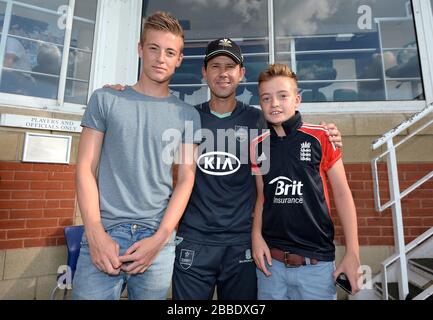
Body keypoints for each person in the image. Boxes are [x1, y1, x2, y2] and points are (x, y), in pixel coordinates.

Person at [106, 38, 343, 300]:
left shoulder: (259, 119)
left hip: (242, 243)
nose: (223, 73)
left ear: (241, 73)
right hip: (194, 241)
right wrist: (123, 93)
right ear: (204, 72)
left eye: (230, 66)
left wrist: (328, 132)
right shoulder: (186, 116)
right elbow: (150, 110)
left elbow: (290, 125)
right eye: (215, 66)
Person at [72, 11, 201, 300]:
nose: (160, 58)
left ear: (179, 59)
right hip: (105, 233)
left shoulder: (188, 115)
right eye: (153, 48)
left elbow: (185, 180)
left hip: (156, 239)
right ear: (140, 49)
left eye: (170, 52)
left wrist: (160, 238)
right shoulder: (105, 99)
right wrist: (94, 232)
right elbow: (85, 168)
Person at [251, 63, 360, 300]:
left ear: (297, 99)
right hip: (272, 266)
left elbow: (342, 194)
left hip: (316, 266)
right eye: (266, 98)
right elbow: (262, 197)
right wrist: (256, 237)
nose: (274, 104)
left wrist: (353, 252)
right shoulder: (257, 146)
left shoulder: (321, 137)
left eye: (282, 96)